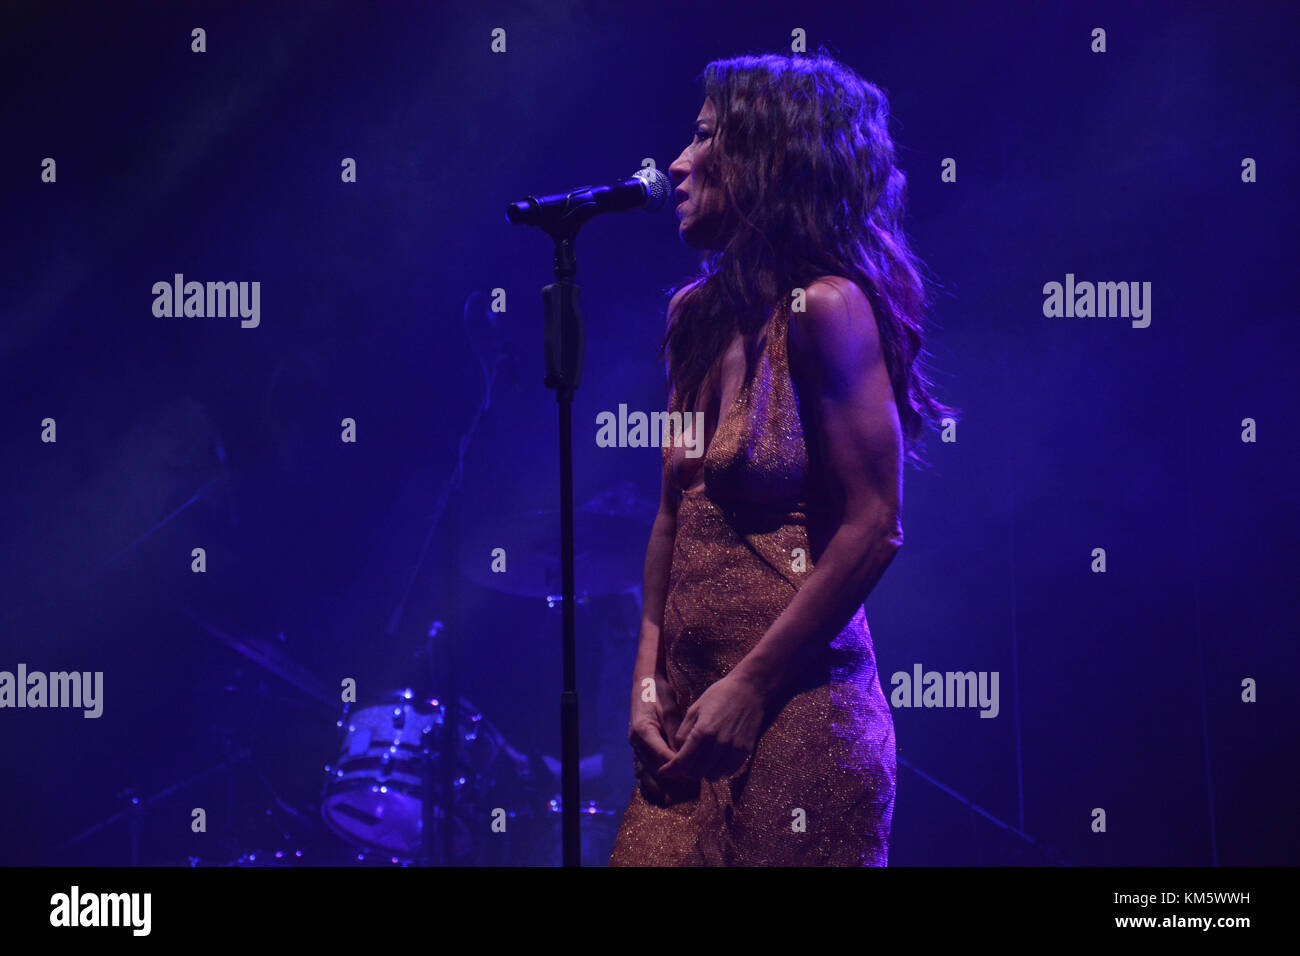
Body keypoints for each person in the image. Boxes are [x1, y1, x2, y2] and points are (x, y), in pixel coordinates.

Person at [608, 51, 957, 866]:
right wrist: (644, 687)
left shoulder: (827, 311)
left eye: (703, 140)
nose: (677, 164)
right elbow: (671, 519)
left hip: (800, 720)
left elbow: (875, 526)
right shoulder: (695, 314)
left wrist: (752, 686)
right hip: (689, 728)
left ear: (770, 160)